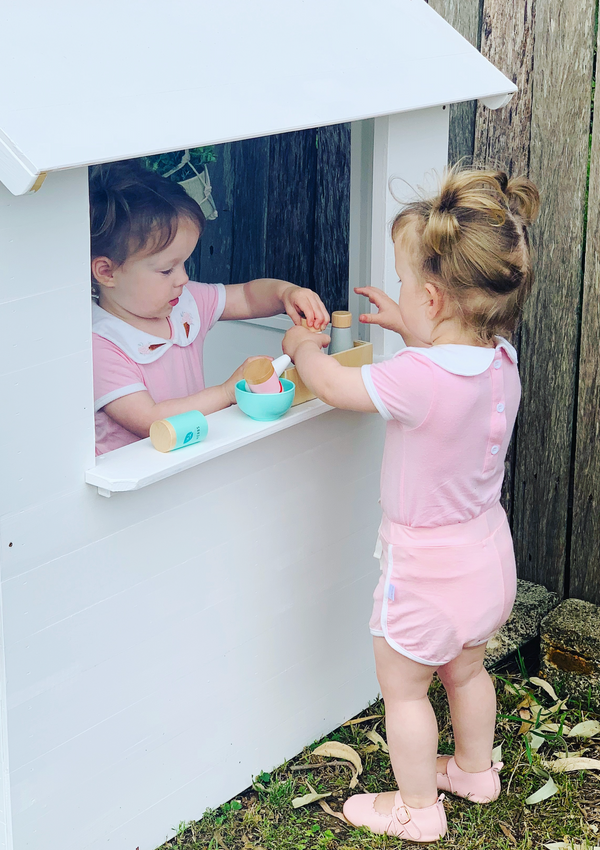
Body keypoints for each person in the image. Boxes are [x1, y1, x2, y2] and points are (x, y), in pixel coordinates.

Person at [282, 167, 540, 842]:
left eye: (404, 288)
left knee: (405, 688)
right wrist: (410, 325)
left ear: (432, 297)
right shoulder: (502, 360)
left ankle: (418, 808)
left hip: (425, 570)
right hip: (487, 557)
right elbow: (447, 361)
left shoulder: (414, 378)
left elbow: (337, 387)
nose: (397, 296)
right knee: (468, 669)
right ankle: (476, 771)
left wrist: (303, 350)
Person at [89, 160, 329, 455]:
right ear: (107, 273)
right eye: (167, 270)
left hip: (185, 458)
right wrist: (227, 392)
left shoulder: (183, 304)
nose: (183, 278)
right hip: (130, 478)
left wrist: (285, 292)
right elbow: (150, 420)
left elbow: (248, 297)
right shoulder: (99, 345)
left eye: (184, 262)